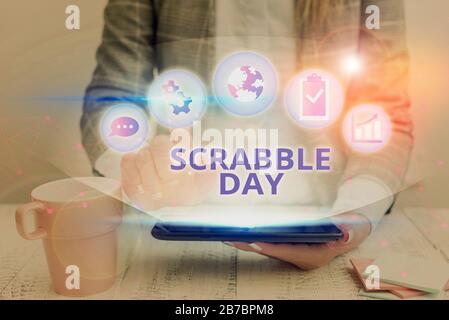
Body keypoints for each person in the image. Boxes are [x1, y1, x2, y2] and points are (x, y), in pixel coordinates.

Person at [81, 0, 413, 270]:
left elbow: (386, 113)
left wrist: (352, 218)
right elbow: (111, 99)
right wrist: (138, 170)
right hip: (183, 230)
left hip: (328, 213)